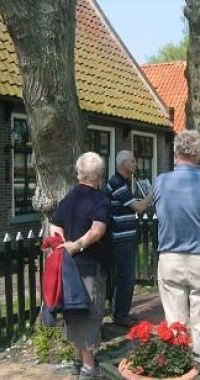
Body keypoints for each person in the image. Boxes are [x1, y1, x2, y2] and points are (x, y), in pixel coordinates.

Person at [154, 131, 200, 369]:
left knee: (175, 323)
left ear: (175, 152)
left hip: (171, 258)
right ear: (199, 153)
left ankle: (178, 370)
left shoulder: (161, 181)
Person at [50, 152, 109, 380]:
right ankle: (89, 368)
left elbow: (54, 226)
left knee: (75, 312)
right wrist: (75, 246)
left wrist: (62, 244)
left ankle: (78, 361)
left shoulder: (69, 197)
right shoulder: (100, 200)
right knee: (90, 315)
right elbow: (97, 231)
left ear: (79, 173)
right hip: (89, 266)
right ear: (100, 175)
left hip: (69, 268)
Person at [105, 150, 152, 327]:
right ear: (123, 163)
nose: (135, 164)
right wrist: (152, 194)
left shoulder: (123, 183)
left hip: (125, 236)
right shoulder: (118, 183)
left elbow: (129, 204)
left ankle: (121, 312)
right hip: (121, 237)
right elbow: (139, 208)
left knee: (124, 276)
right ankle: (120, 316)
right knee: (126, 276)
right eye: (132, 161)